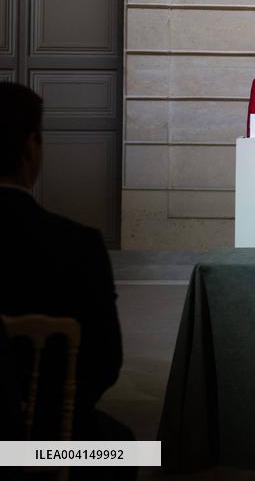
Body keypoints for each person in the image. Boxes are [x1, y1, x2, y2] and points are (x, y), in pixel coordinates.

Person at [0, 83, 134, 456]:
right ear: (31, 148)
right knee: (135, 451)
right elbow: (105, 363)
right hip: (42, 439)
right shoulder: (78, 246)